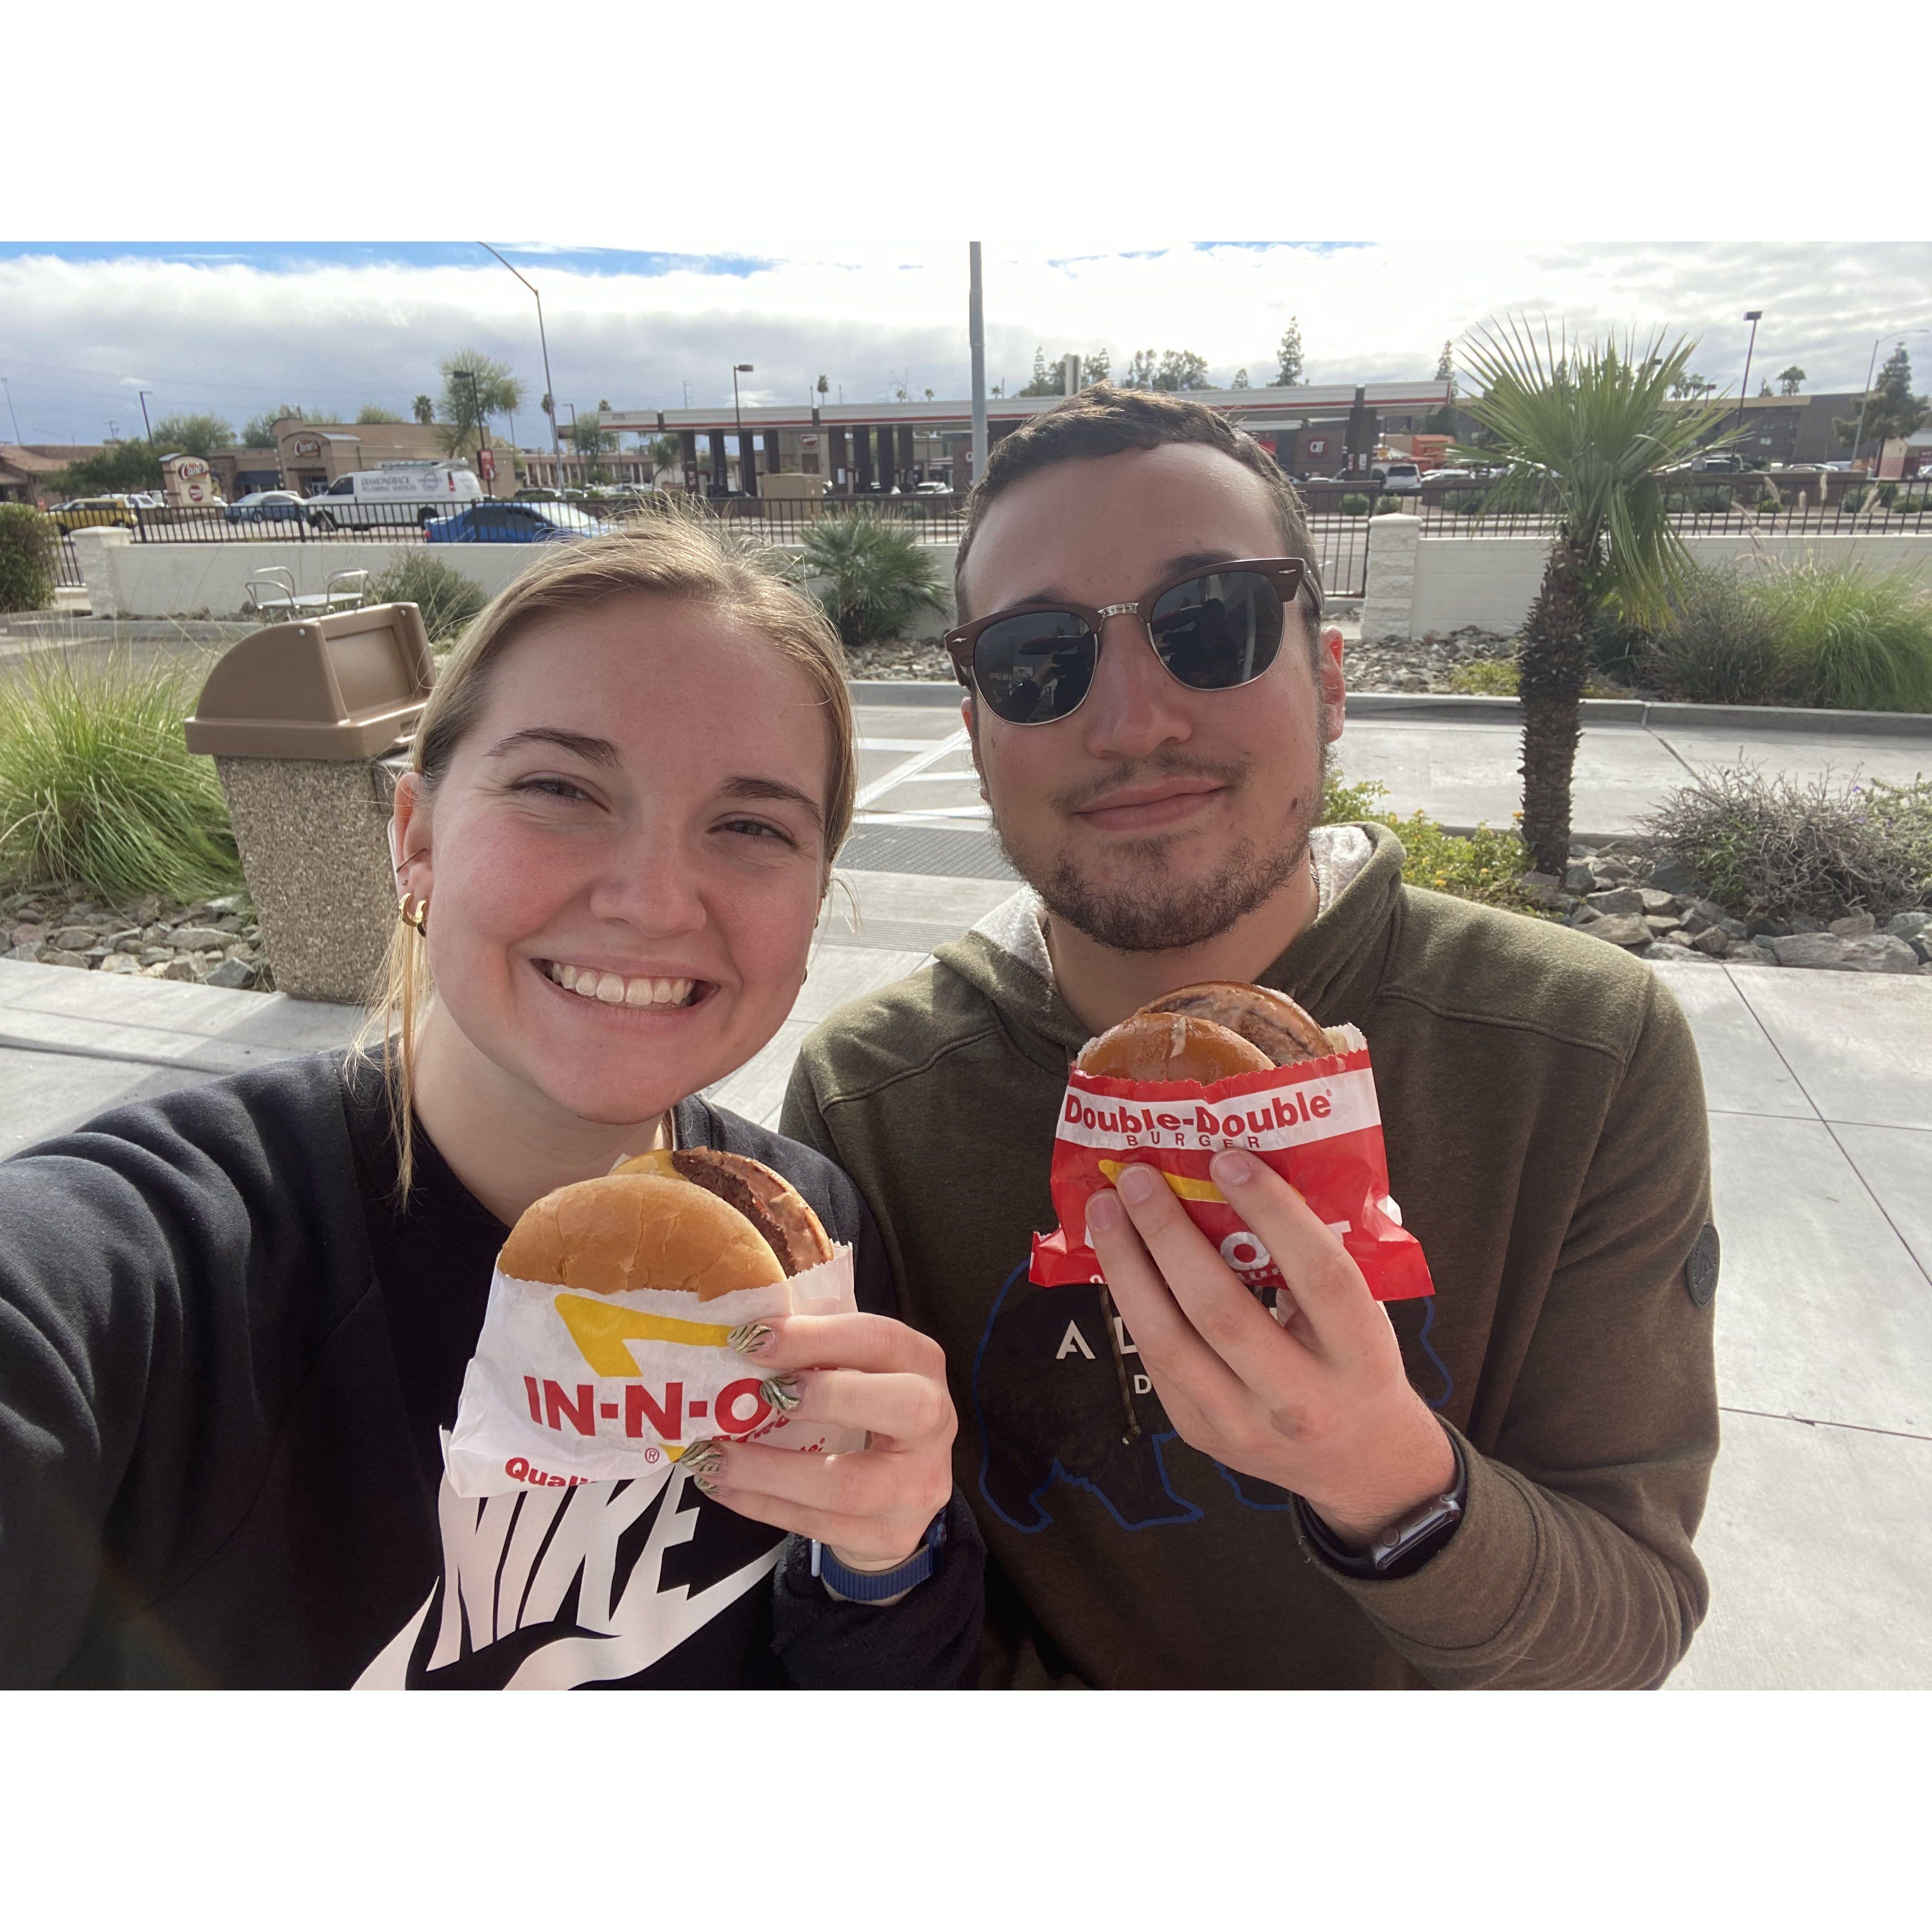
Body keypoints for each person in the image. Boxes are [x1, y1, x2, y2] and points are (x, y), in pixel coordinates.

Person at [782, 385, 1719, 1690]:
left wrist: (1387, 1477)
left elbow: (1624, 1626)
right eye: (1037, 660)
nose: (1131, 722)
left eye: (1208, 624)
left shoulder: (1579, 1053)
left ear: (1326, 680)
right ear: (981, 737)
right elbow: (884, 1593)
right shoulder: (873, 1102)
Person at [0, 519, 979, 1689]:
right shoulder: (161, 1271)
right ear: (414, 839)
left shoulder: (808, 1234)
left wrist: (881, 1557)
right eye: (562, 789)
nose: (656, 901)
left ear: (816, 898)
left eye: (754, 826)